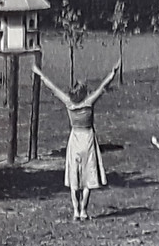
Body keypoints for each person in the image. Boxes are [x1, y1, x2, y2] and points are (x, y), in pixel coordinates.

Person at [34, 60, 121, 220]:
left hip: (74, 140)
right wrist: (113, 72)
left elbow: (53, 88)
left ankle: (75, 210)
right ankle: (84, 211)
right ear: (84, 93)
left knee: (74, 176)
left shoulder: (69, 103)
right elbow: (103, 86)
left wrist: (40, 74)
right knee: (88, 178)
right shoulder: (89, 103)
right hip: (87, 139)